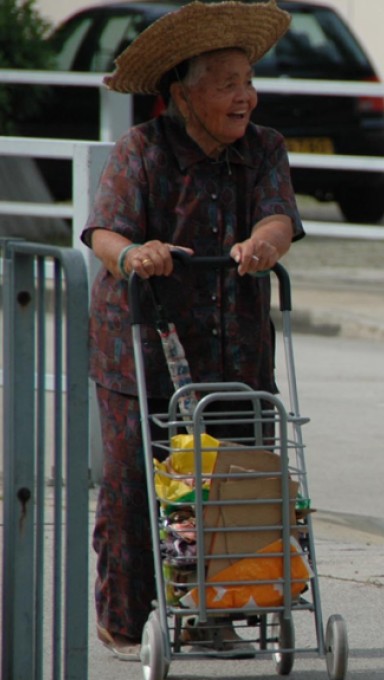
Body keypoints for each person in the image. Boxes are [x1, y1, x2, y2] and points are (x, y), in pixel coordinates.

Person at [80, 0, 303, 661]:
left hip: (235, 349)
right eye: (228, 83)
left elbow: (278, 217)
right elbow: (103, 231)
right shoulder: (142, 150)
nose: (245, 96)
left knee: (234, 483)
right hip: (143, 348)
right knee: (132, 488)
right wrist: (133, 255)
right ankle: (125, 622)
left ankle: (215, 614)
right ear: (184, 92)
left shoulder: (264, 148)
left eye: (248, 81)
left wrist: (265, 244)